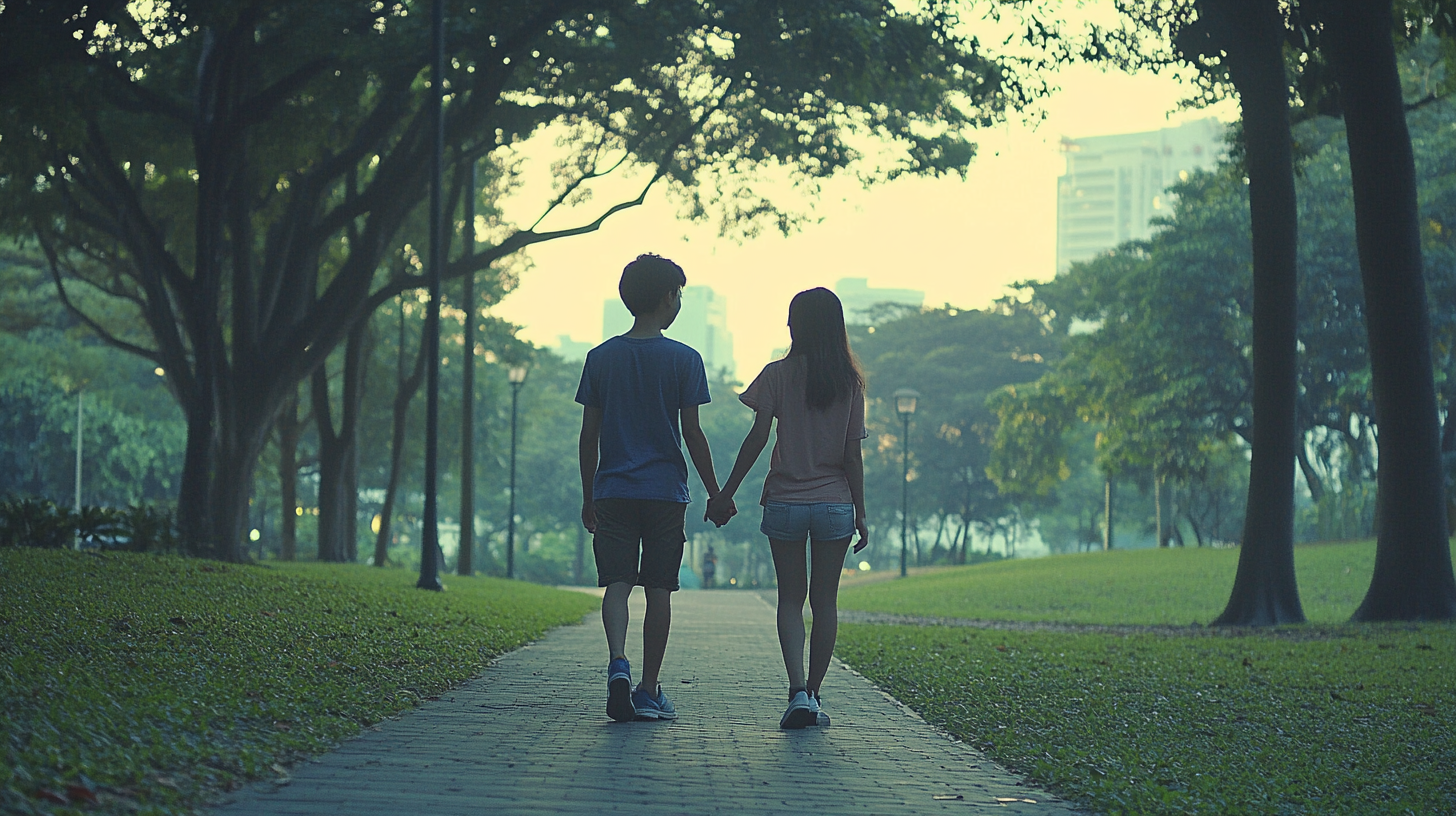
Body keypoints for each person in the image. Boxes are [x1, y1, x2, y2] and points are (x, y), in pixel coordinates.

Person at [706, 287, 868, 729]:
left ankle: (796, 690)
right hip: (835, 502)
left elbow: (758, 438)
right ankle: (814, 695)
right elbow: (852, 454)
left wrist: (726, 492)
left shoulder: (777, 375)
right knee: (826, 601)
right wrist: (862, 512)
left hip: (785, 502)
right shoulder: (849, 383)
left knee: (790, 599)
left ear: (795, 325)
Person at [577, 254, 726, 723]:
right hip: (665, 493)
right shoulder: (685, 360)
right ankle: (647, 688)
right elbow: (694, 434)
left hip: (613, 490)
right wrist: (716, 492)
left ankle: (617, 660)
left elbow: (589, 437)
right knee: (659, 590)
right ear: (668, 298)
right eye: (679, 293)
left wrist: (588, 495)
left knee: (617, 585)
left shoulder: (600, 358)